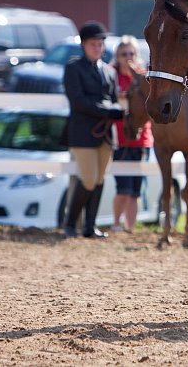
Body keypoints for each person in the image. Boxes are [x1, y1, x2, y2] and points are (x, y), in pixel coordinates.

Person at [62, 21, 124, 239]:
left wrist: (115, 110)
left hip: (106, 135)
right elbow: (78, 102)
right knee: (88, 179)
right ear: (83, 45)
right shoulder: (73, 68)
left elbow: (115, 101)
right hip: (82, 133)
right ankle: (70, 224)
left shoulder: (109, 72)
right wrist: (109, 112)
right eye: (93, 44)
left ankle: (89, 226)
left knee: (99, 180)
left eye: (100, 44)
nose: (97, 48)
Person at [111, 36, 153, 233]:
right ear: (117, 56)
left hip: (142, 138)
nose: (128, 57)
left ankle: (130, 227)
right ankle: (116, 223)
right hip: (119, 137)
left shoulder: (144, 78)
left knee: (136, 190)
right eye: (124, 54)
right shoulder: (112, 75)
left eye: (131, 53)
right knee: (122, 188)